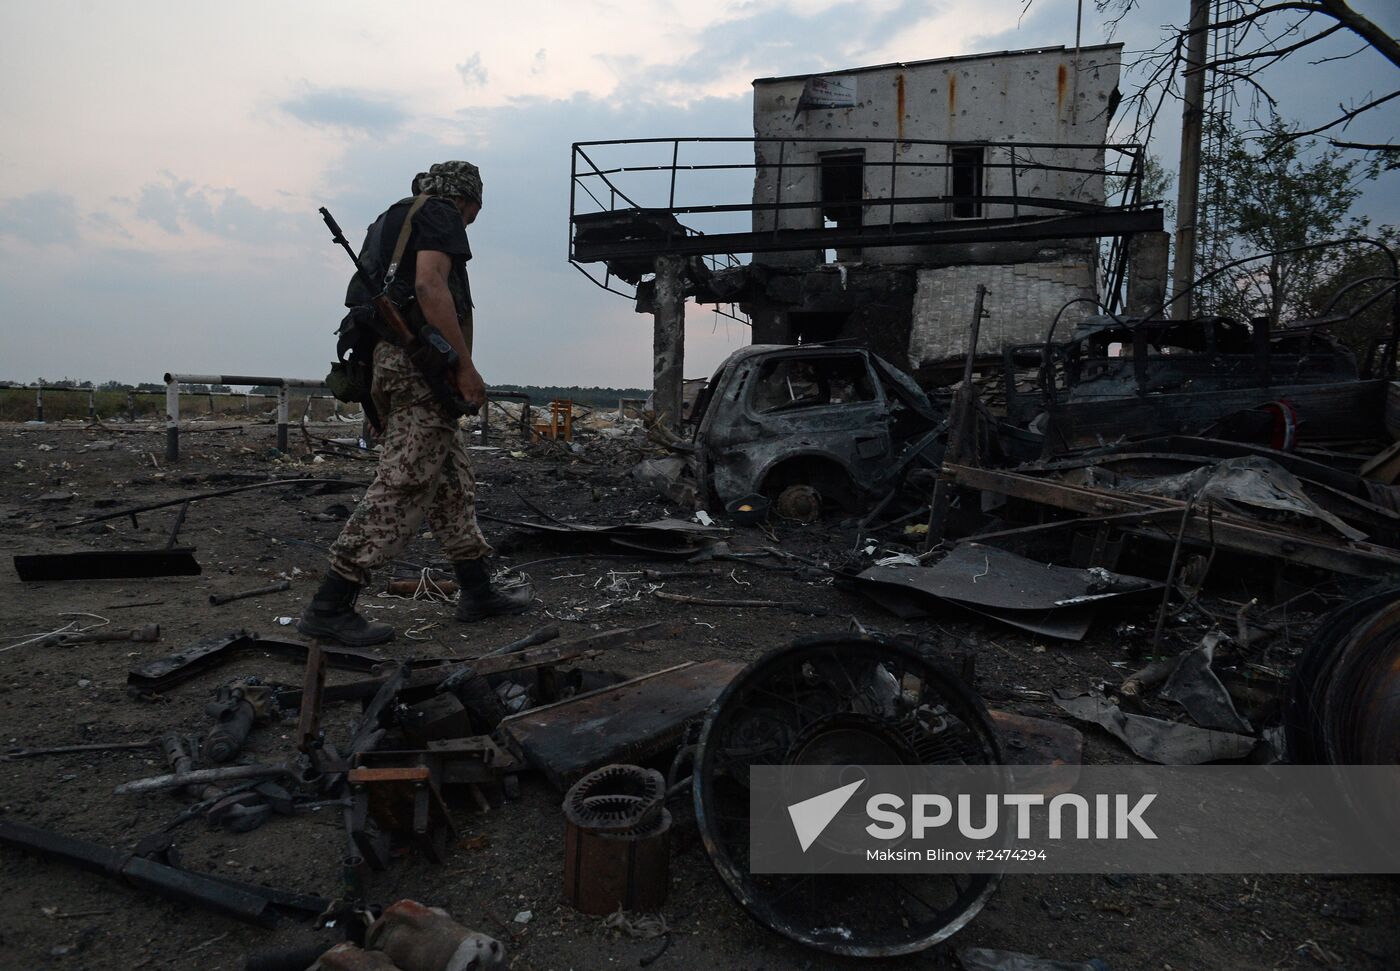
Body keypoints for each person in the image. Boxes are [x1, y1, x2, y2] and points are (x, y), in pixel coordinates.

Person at [299, 161, 531, 646]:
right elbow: (430, 284)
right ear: (467, 200)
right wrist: (464, 365)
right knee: (404, 483)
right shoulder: (441, 215)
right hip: (418, 366)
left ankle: (477, 590)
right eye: (474, 213)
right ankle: (330, 604)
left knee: (450, 485)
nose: (469, 222)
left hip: (387, 362)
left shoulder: (389, 221)